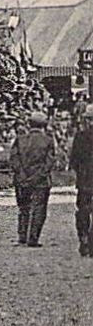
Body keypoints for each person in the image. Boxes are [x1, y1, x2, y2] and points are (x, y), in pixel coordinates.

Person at [9, 110, 55, 248]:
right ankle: (33, 238)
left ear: (29, 124)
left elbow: (14, 159)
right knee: (39, 209)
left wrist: (23, 175)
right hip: (40, 181)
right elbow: (49, 163)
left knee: (24, 208)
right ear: (43, 125)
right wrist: (37, 177)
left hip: (22, 180)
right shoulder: (48, 141)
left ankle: (22, 235)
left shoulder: (20, 139)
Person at [70, 104, 93, 258]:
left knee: (83, 209)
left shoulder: (80, 136)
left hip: (85, 179)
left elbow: (74, 160)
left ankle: (84, 237)